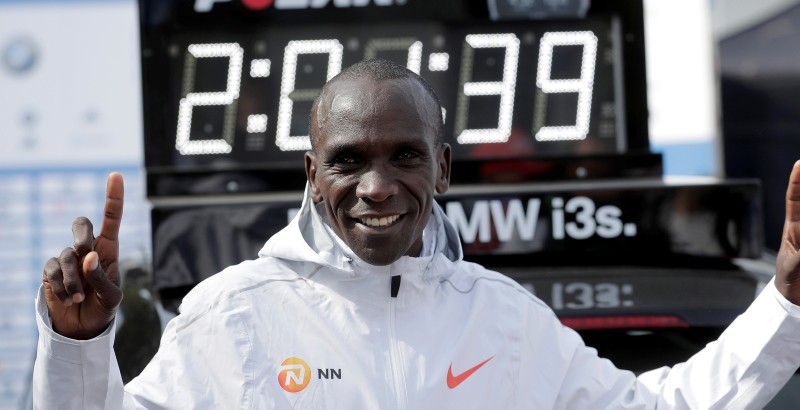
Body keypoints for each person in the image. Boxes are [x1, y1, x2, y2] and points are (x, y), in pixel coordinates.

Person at [34, 59, 800, 408]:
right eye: (348, 161)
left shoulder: (502, 319)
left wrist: (787, 304)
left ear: (442, 169)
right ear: (310, 174)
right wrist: (76, 347)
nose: (375, 186)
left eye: (403, 156)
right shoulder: (232, 313)